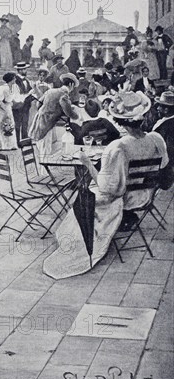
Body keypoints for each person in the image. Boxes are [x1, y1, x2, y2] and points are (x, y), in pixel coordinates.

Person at [43, 92, 168, 279]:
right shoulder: (156, 138)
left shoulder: (118, 147)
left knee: (85, 193)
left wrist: (87, 163)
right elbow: (164, 165)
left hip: (124, 199)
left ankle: (83, 240)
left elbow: (107, 187)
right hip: (146, 194)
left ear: (118, 121)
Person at [29, 73, 79, 156]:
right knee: (46, 150)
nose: (72, 89)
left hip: (39, 119)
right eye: (73, 87)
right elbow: (68, 112)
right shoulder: (64, 94)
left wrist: (46, 110)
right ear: (71, 84)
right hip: (47, 123)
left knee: (41, 147)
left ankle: (43, 167)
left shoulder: (50, 91)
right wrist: (77, 116)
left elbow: (39, 104)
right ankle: (43, 168)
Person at [151, 91, 174, 189]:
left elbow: (169, 151)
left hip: (163, 169)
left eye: (159, 106)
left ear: (166, 109)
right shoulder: (166, 120)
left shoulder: (168, 126)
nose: (157, 109)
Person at [12, 62, 34, 143]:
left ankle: (24, 140)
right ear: (20, 70)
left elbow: (29, 90)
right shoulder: (15, 80)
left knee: (25, 123)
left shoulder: (26, 80)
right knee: (17, 124)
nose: (26, 70)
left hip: (26, 105)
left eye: (26, 69)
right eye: (24, 69)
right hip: (18, 106)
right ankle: (17, 141)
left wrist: (32, 96)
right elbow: (16, 94)